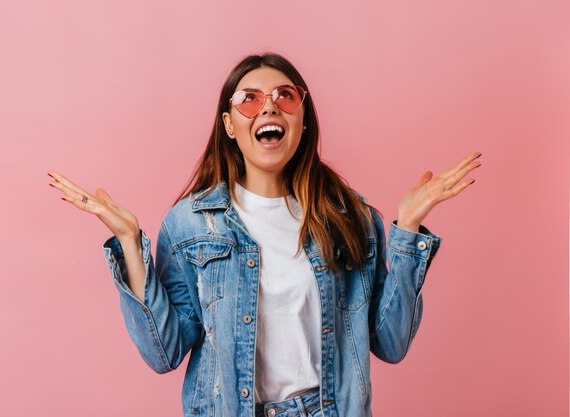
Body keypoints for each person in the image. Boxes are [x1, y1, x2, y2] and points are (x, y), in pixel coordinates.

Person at [48, 52, 482, 417]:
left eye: (284, 97)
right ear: (230, 125)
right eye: (249, 101)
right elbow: (164, 353)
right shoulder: (190, 225)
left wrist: (406, 230)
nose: (269, 108)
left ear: (303, 119)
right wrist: (129, 242)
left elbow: (391, 343)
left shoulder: (350, 217)